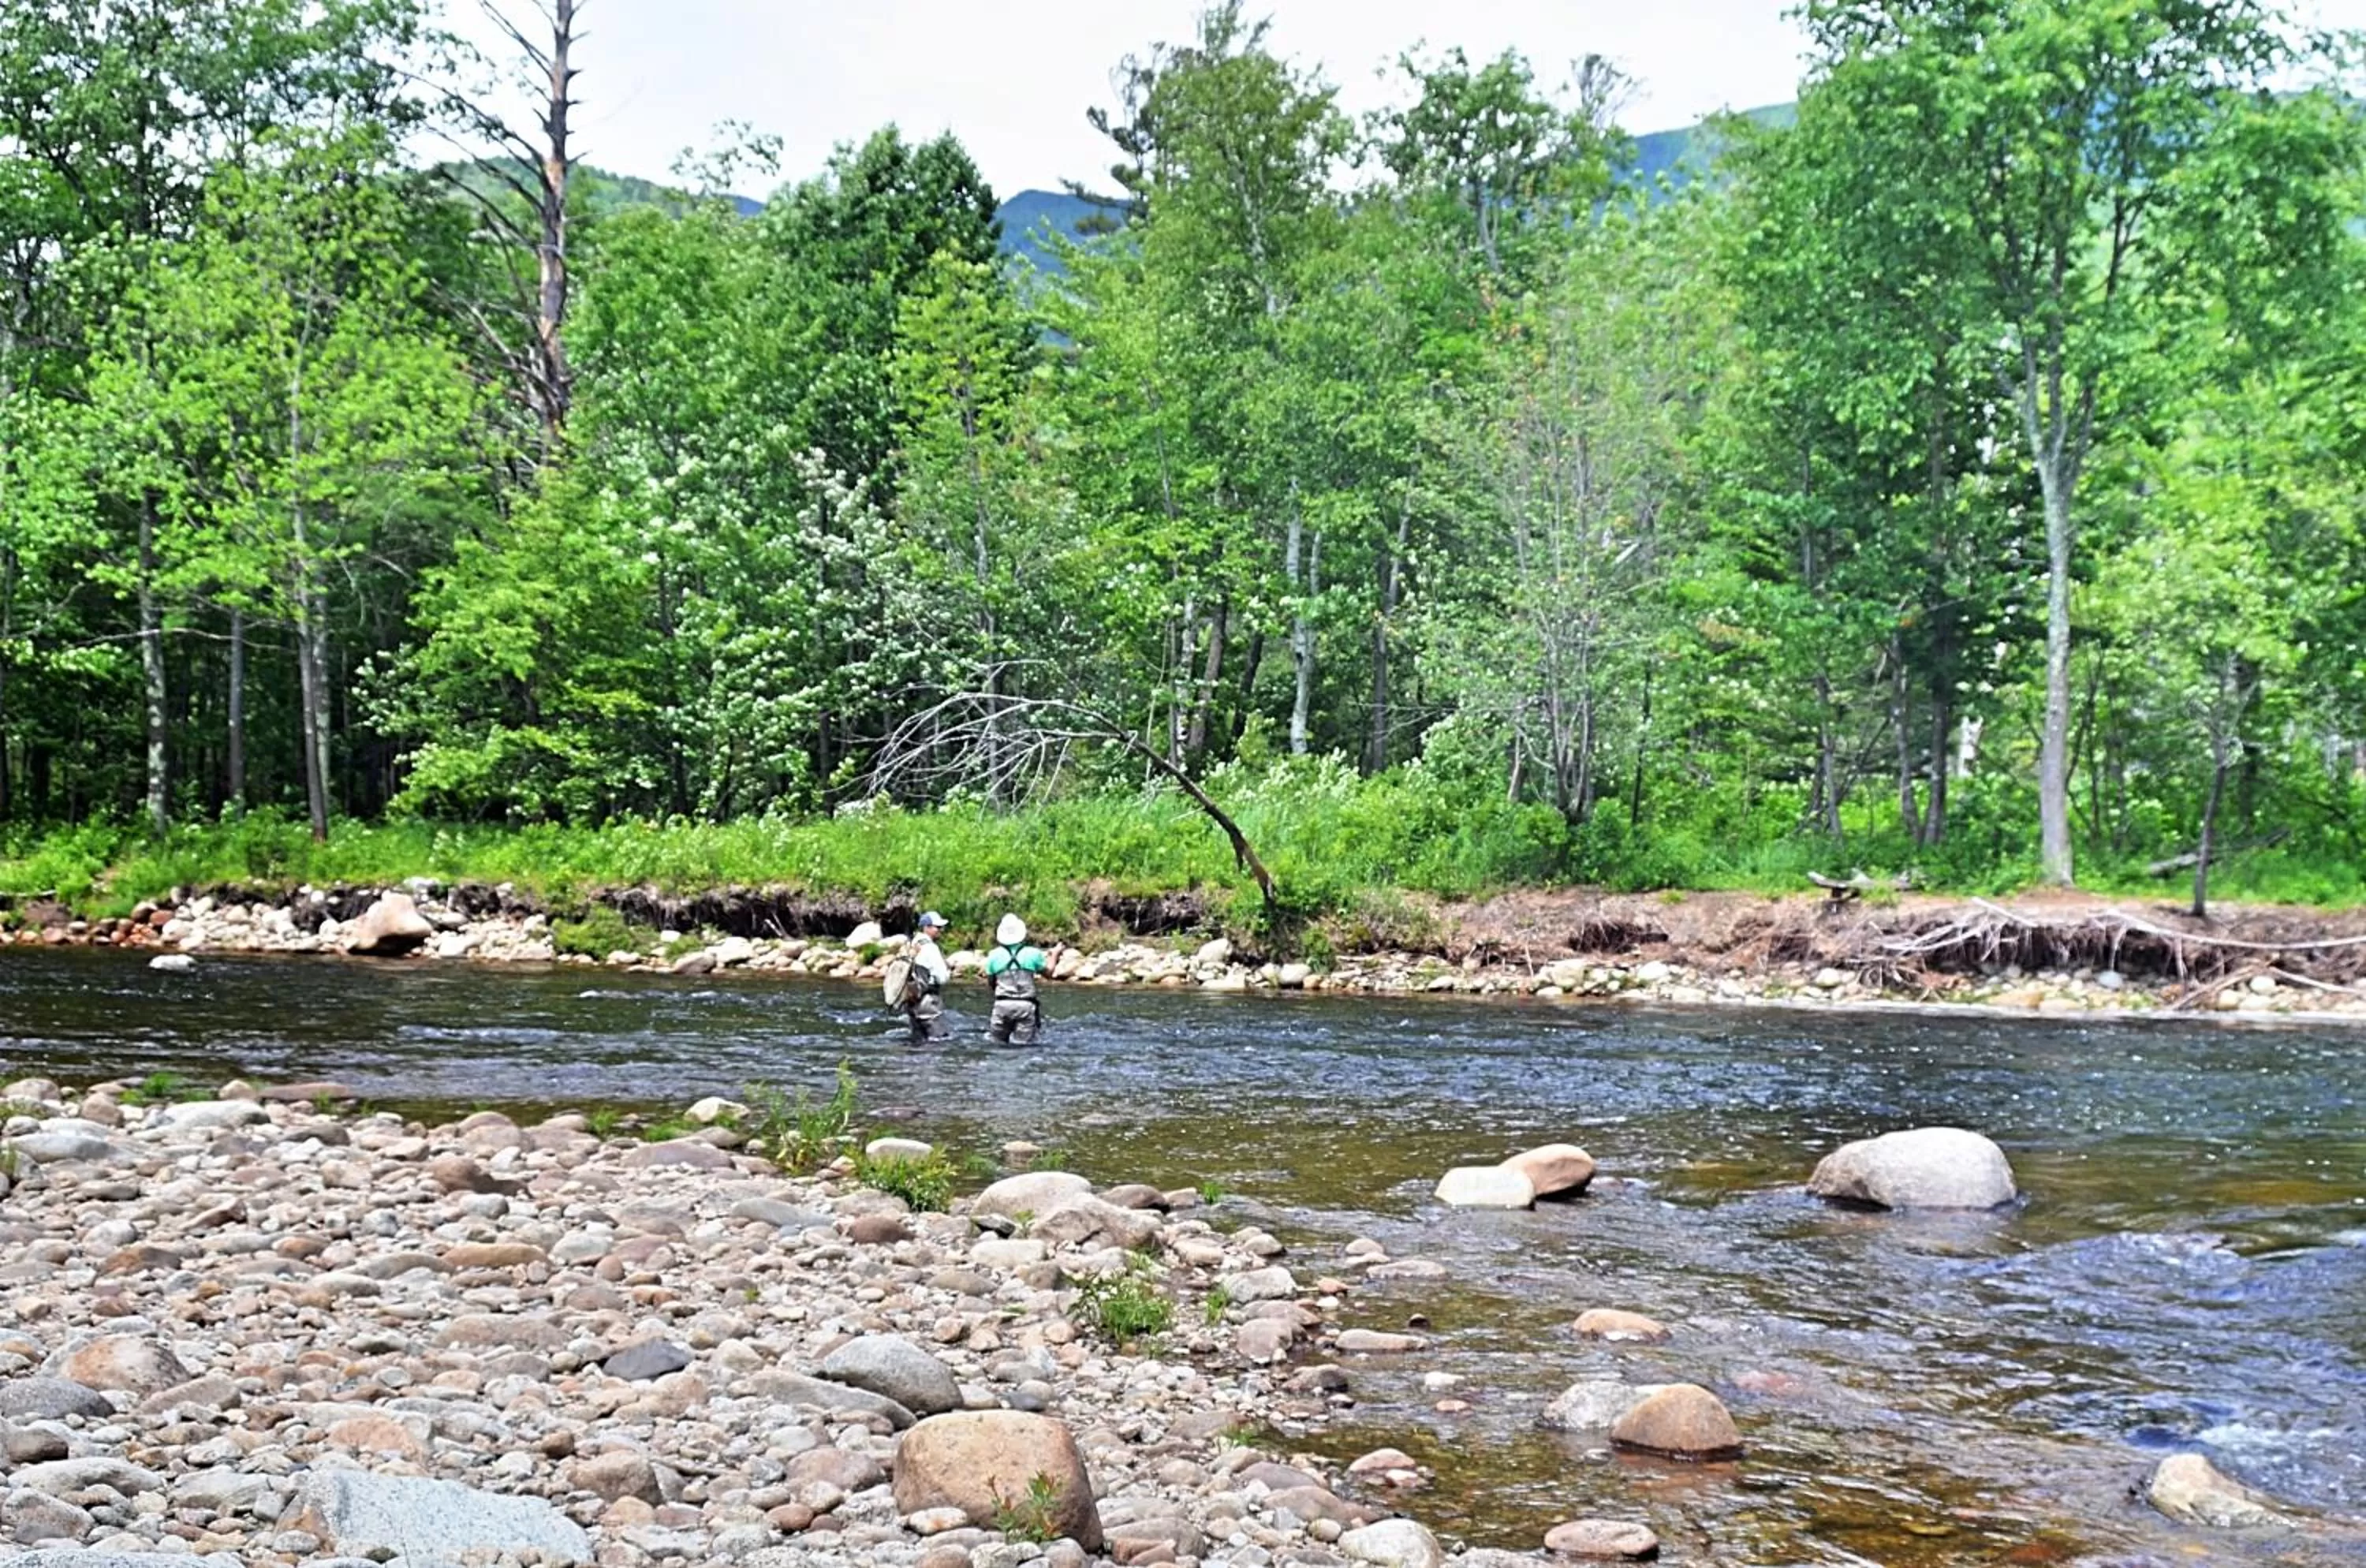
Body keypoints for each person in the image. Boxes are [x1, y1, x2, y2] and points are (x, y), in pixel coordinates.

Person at [984, 913, 1048, 1045]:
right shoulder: (1033, 954)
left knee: (996, 1044)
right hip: (1026, 1005)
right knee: (1022, 1046)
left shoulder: (993, 955)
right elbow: (1049, 973)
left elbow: (991, 983)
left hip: (1002, 1005)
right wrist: (1055, 954)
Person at [903, 911, 953, 1044]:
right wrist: (949, 971)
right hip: (929, 1003)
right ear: (926, 928)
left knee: (917, 1042)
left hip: (912, 1001)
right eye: (937, 927)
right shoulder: (931, 948)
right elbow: (942, 978)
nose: (940, 930)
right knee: (938, 1042)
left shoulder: (912, 945)